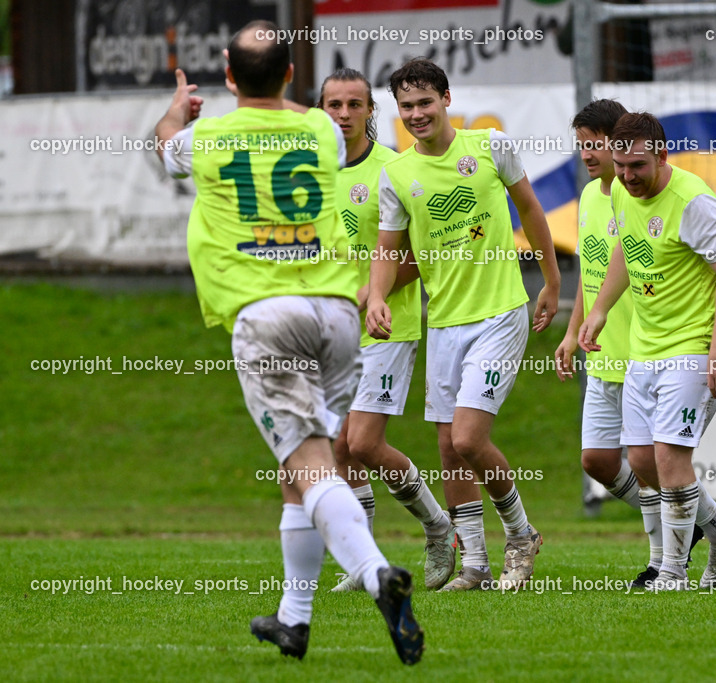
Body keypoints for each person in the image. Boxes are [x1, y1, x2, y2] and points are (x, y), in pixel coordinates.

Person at [154, 20, 422, 663]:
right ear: (293, 75)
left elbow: (165, 150)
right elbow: (297, 125)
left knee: (307, 464)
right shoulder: (322, 130)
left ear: (225, 74)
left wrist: (174, 116)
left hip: (267, 314)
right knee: (302, 468)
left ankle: (375, 570)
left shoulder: (209, 136)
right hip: (335, 312)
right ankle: (294, 620)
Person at [366, 58, 561, 590]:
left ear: (447, 100)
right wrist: (378, 296)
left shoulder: (489, 146)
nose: (416, 114)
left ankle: (521, 535)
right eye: (406, 107)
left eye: (425, 102)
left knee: (471, 439)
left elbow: (533, 212)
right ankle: (473, 562)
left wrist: (551, 281)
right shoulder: (398, 174)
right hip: (444, 322)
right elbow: (388, 250)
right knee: (450, 446)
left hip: (500, 312)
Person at [578, 112, 716, 591]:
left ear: (662, 155)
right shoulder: (619, 190)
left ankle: (672, 572)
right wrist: (599, 310)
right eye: (620, 165)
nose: (627, 176)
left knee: (671, 459)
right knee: (641, 462)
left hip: (692, 349)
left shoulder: (692, 201)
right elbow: (624, 249)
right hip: (644, 350)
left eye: (637, 165)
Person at [314, 68, 457, 593]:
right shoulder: (312, 172)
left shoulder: (393, 170)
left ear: (372, 111)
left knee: (365, 443)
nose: (344, 114)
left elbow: (421, 256)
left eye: (355, 104)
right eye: (334, 105)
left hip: (387, 324)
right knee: (339, 447)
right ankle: (364, 561)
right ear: (321, 110)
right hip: (329, 331)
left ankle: (437, 525)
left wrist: (370, 294)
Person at [555, 100, 703, 589]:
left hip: (649, 348)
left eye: (594, 144)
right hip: (605, 353)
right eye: (582, 147)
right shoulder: (594, 196)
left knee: (658, 461)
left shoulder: (656, 194)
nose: (588, 155)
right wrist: (576, 326)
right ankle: (704, 527)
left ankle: (668, 560)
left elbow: (712, 270)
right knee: (601, 461)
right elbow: (596, 270)